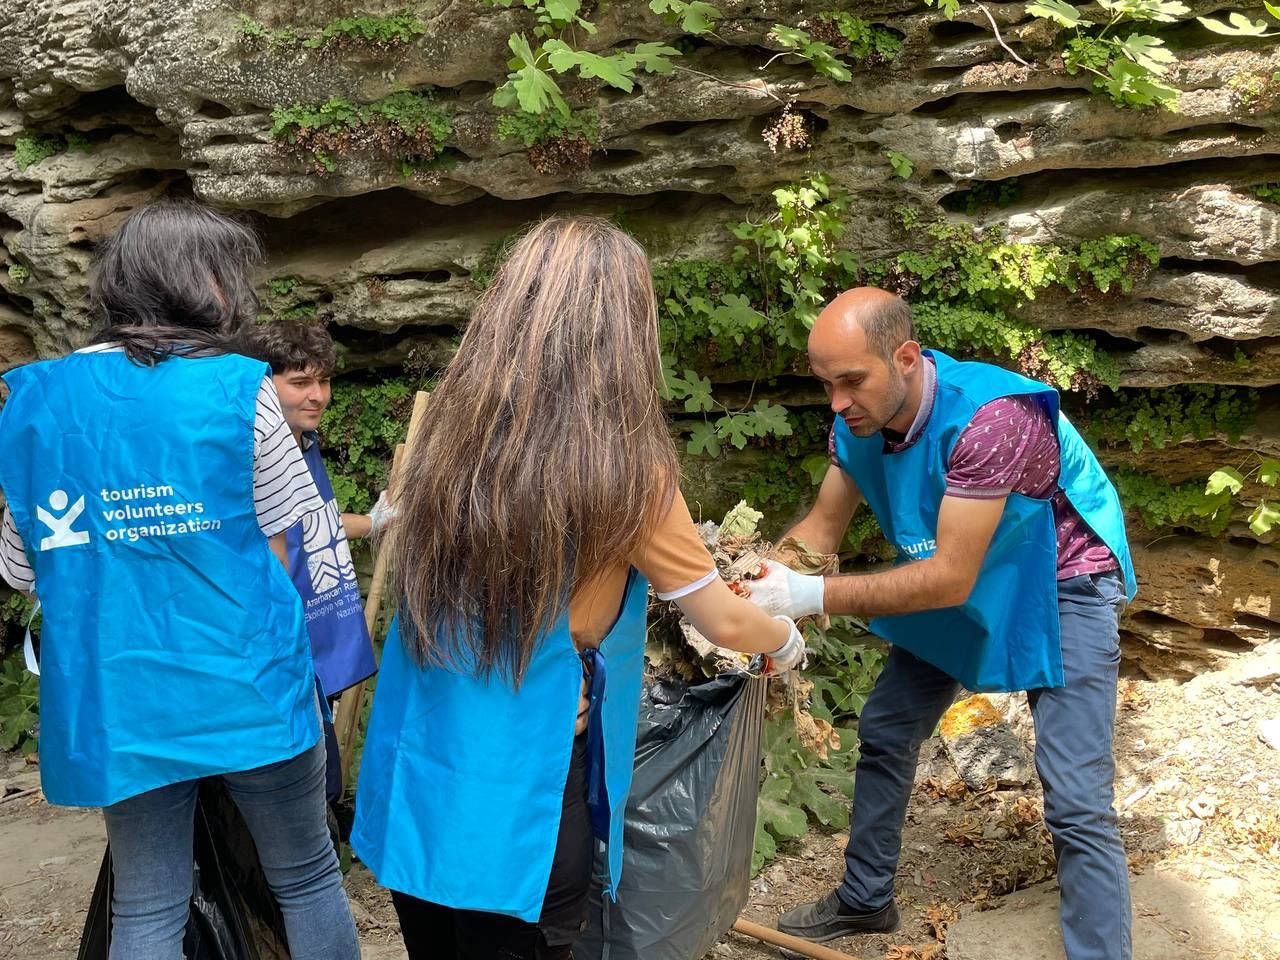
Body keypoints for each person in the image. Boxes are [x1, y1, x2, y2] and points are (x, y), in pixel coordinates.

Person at [351, 216, 807, 960]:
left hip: (427, 746)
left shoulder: (447, 438)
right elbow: (722, 620)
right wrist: (785, 640)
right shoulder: (627, 472)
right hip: (521, 768)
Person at [0, 200, 360, 960]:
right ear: (197, 285)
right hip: (244, 682)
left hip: (118, 694)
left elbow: (23, 570)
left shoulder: (33, 402)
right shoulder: (239, 389)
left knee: (148, 901)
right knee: (305, 878)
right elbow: (282, 549)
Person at [748, 288, 1136, 960]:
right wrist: (757, 592)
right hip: (958, 565)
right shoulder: (857, 423)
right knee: (888, 727)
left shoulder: (993, 417)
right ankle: (866, 899)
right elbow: (820, 529)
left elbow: (951, 577)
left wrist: (808, 596)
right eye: (825, 385)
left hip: (1060, 576)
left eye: (850, 382)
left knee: (1076, 799)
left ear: (903, 358)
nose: (836, 402)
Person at [240, 320, 390, 806]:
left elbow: (311, 521)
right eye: (300, 383)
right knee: (304, 785)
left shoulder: (302, 445)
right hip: (283, 650)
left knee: (319, 781)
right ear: (265, 386)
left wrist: (374, 522)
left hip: (315, 637)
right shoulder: (251, 455)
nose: (318, 396)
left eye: (323, 381)